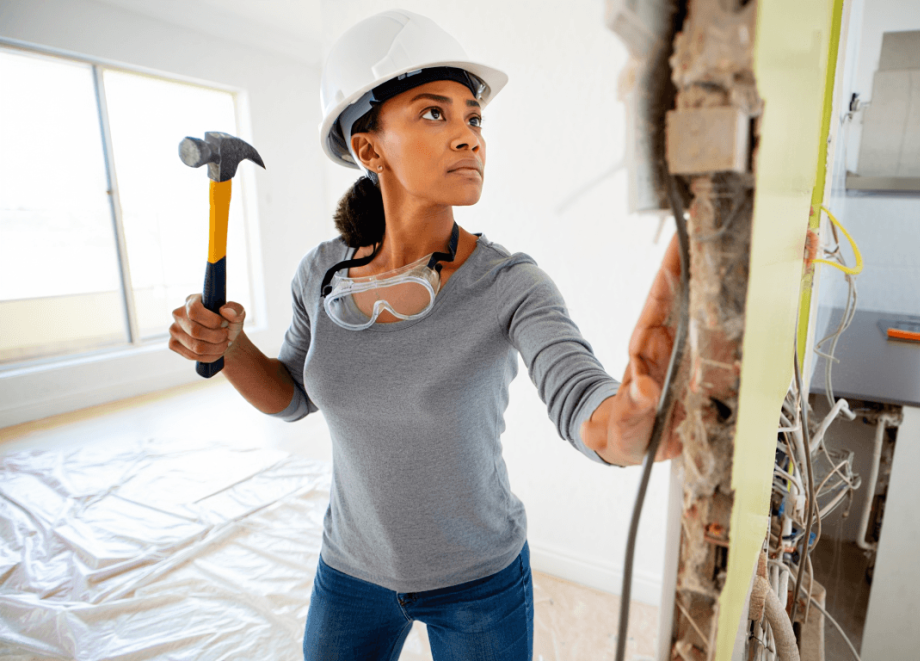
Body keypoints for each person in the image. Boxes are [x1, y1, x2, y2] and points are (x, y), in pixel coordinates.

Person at [168, 9, 681, 661]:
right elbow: (292, 397)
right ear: (368, 148)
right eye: (435, 113)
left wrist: (631, 420)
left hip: (480, 582)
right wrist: (230, 347)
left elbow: (583, 399)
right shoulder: (321, 273)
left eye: (474, 117)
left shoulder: (511, 284)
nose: (470, 137)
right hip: (349, 571)